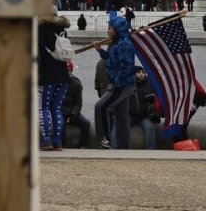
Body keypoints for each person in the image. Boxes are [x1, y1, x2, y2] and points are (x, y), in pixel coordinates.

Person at [93, 12, 136, 150]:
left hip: (121, 84)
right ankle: (124, 147)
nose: (108, 31)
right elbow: (112, 59)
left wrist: (117, 83)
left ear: (117, 30)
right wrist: (100, 51)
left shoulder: (124, 44)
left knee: (100, 106)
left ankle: (104, 140)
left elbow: (127, 67)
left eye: (110, 28)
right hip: (123, 83)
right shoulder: (116, 43)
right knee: (121, 116)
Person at [36, 14, 71, 151]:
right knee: (56, 108)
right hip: (63, 75)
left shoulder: (42, 29)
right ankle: (57, 141)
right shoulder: (62, 30)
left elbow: (37, 52)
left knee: (43, 107)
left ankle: (46, 140)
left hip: (47, 73)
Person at [128, 68, 160, 150]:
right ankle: (118, 149)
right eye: (138, 72)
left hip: (144, 116)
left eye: (143, 72)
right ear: (134, 74)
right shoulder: (129, 84)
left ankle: (151, 150)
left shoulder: (150, 83)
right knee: (120, 127)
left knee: (150, 128)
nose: (141, 74)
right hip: (130, 115)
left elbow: (158, 97)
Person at [62, 61, 91, 148]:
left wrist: (74, 114)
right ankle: (62, 145)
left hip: (71, 111)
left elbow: (78, 101)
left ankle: (82, 146)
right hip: (63, 111)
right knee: (60, 123)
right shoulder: (59, 82)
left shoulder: (76, 83)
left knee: (86, 124)